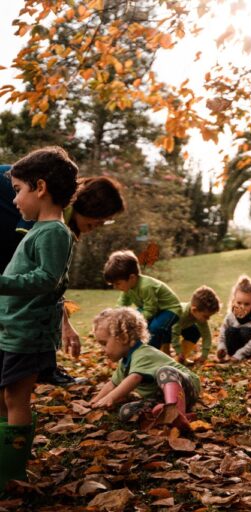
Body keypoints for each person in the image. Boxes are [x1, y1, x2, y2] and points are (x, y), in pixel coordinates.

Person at [1, 169, 126, 386]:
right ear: (93, 205)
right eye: (103, 217)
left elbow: (49, 280)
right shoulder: (47, 215)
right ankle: (31, 369)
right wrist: (65, 325)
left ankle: (40, 369)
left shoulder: (57, 220)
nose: (101, 224)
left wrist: (64, 323)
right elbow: (44, 280)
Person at [0, 147, 78, 489]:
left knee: (17, 399)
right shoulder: (38, 230)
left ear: (40, 188)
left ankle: (12, 472)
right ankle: (3, 461)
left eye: (19, 190)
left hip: (28, 335)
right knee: (3, 397)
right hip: (11, 330)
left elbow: (48, 279)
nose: (15, 199)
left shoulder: (54, 233)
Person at [90, 307, 200, 430]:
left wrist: (110, 398)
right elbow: (112, 384)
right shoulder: (125, 362)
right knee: (125, 411)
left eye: (104, 343)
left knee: (164, 372)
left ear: (123, 337)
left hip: (186, 389)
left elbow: (135, 378)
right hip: (160, 397)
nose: (102, 349)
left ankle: (177, 414)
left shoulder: (143, 353)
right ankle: (163, 412)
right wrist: (94, 403)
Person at [103, 250, 182, 352]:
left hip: (170, 309)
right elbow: (121, 304)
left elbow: (150, 310)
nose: (115, 287)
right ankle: (157, 352)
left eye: (117, 283)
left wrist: (137, 321)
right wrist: (115, 317)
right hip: (153, 309)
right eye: (113, 284)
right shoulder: (128, 288)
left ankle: (150, 354)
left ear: (132, 277)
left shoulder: (145, 286)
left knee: (154, 328)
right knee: (134, 325)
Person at [216, 275, 251, 362]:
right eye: (239, 303)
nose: (242, 307)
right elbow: (222, 335)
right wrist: (221, 348)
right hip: (234, 348)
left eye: (247, 304)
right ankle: (230, 355)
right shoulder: (230, 317)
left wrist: (240, 354)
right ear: (234, 300)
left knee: (245, 331)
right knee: (230, 331)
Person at [171, 286, 221, 365]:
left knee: (195, 332)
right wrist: (178, 351)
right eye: (205, 316)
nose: (208, 319)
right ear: (194, 310)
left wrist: (204, 355)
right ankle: (166, 359)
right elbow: (174, 333)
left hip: (181, 327)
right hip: (167, 327)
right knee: (165, 335)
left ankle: (181, 358)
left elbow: (206, 335)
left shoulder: (198, 315)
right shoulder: (181, 313)